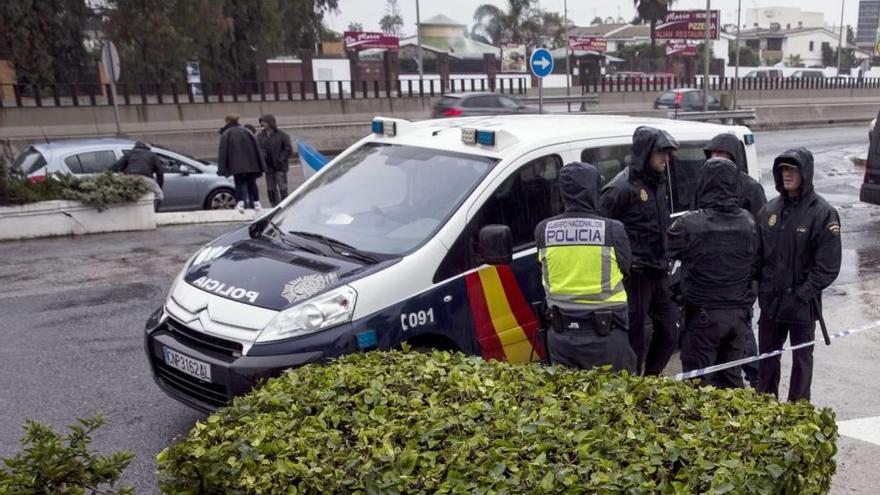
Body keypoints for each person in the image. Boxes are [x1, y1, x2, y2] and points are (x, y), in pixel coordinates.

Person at [756, 148, 842, 402]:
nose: (786, 175)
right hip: (771, 304)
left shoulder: (823, 213)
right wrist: (761, 292)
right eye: (783, 169)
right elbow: (758, 258)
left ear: (805, 172)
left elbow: (827, 267)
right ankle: (765, 408)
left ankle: (798, 413)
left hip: (802, 305)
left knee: (802, 362)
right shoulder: (769, 211)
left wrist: (801, 295)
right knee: (767, 361)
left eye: (792, 169)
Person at [667, 158, 760, 388]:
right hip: (738, 316)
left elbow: (665, 253)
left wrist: (677, 292)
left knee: (698, 384)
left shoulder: (689, 223)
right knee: (731, 380)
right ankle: (735, 423)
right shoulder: (748, 221)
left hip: (703, 317)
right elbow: (756, 264)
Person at [535, 162, 636, 373]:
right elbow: (626, 269)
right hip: (605, 336)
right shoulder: (612, 229)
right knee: (615, 398)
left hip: (561, 337)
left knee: (568, 399)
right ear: (594, 189)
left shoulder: (543, 229)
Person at [600, 126, 680, 376]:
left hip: (659, 271)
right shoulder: (620, 188)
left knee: (669, 330)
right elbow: (603, 231)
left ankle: (652, 375)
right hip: (634, 276)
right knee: (634, 334)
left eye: (667, 154)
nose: (665, 159)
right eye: (660, 153)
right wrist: (624, 264)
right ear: (645, 153)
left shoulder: (657, 183)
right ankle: (633, 382)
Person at [702, 133, 767, 388]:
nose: (716, 159)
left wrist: (754, 277)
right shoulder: (706, 183)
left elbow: (761, 235)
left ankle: (756, 376)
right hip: (712, 273)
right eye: (713, 154)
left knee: (742, 330)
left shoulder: (750, 188)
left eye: (722, 154)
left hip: (740, 274)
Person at [218, 113, 265, 212]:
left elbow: (223, 152)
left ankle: (240, 203)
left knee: (239, 182)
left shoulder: (227, 133)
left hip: (236, 164)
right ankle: (256, 202)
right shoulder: (247, 131)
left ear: (227, 121)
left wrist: (222, 169)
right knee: (251, 182)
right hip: (251, 163)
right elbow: (256, 149)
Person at [110, 141, 164, 212]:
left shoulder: (130, 153)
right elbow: (160, 172)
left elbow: (117, 165)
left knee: (127, 195)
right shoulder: (152, 155)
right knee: (159, 195)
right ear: (148, 148)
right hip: (145, 177)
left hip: (129, 177)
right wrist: (159, 185)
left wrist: (108, 173)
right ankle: (153, 213)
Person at [257, 114, 293, 207]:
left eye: (264, 121)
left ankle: (285, 205)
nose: (262, 123)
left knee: (282, 187)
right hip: (268, 167)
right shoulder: (260, 136)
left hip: (279, 167)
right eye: (261, 122)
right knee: (271, 189)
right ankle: (274, 206)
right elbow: (258, 149)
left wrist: (281, 159)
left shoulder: (282, 135)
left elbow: (288, 149)